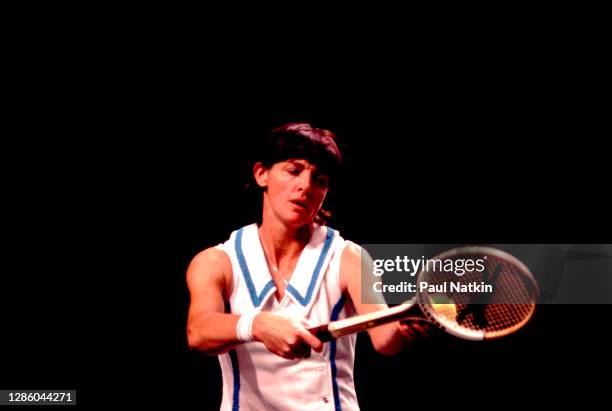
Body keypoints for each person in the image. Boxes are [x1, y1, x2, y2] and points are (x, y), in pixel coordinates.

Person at [186, 122, 427, 410]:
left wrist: (406, 329)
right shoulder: (215, 261)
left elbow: (385, 341)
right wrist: (258, 325)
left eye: (320, 180)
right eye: (294, 170)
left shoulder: (349, 257)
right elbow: (198, 332)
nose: (306, 187)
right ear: (261, 174)